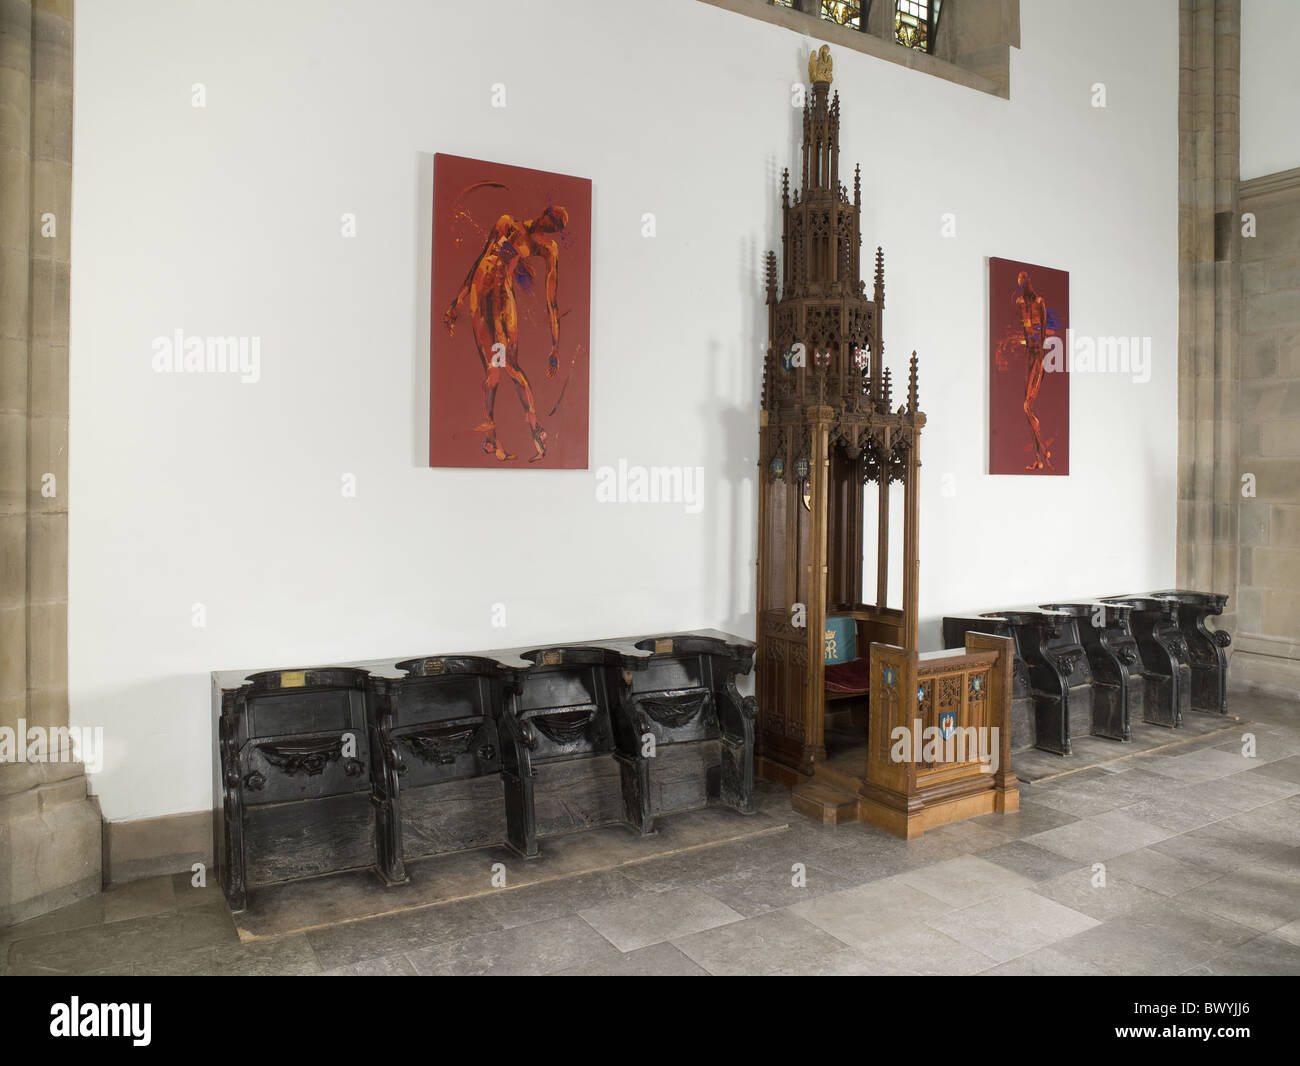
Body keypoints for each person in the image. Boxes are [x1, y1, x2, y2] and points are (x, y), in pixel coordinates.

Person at [443, 205, 568, 461]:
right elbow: (482, 259)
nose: (550, 228)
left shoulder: (547, 248)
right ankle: (494, 437)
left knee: (508, 367)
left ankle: (534, 430)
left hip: (501, 301)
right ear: (544, 214)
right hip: (482, 296)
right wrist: (458, 301)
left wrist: (555, 345)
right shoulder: (507, 224)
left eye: (556, 228)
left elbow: (551, 300)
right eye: (552, 221)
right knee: (495, 372)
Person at [1015, 270, 1054, 472]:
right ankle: (1039, 457)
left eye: (1025, 281)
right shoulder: (1020, 304)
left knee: (1027, 407)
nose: (1024, 285)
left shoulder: (1040, 302)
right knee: (1027, 409)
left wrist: (1041, 360)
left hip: (1038, 357)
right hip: (1029, 357)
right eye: (1021, 282)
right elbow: (1024, 329)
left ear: (1029, 282)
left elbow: (1044, 333)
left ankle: (1043, 453)